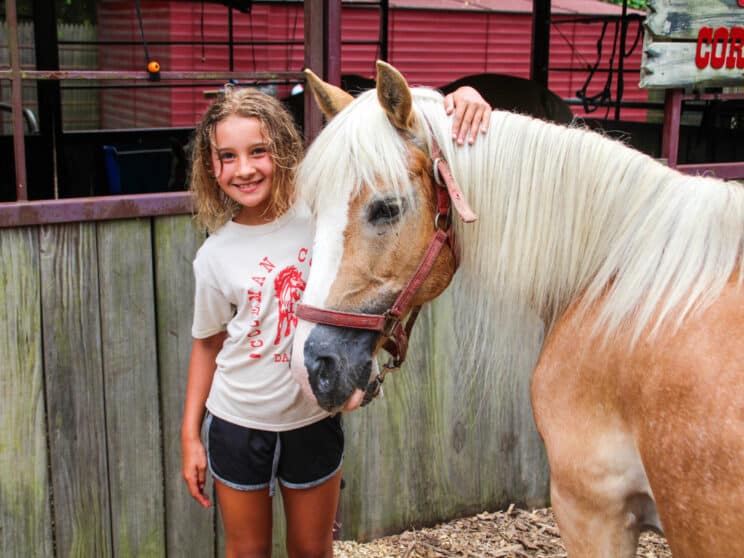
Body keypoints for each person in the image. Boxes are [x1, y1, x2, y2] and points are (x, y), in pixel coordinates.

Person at [181, 82, 492, 558]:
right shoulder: (214, 256)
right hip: (237, 421)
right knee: (245, 552)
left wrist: (463, 97)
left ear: (284, 152)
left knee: (314, 550)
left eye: (258, 151)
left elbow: (397, 160)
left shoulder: (321, 217)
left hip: (311, 419)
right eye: (227, 156)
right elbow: (207, 344)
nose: (244, 169)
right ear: (212, 167)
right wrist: (190, 435)